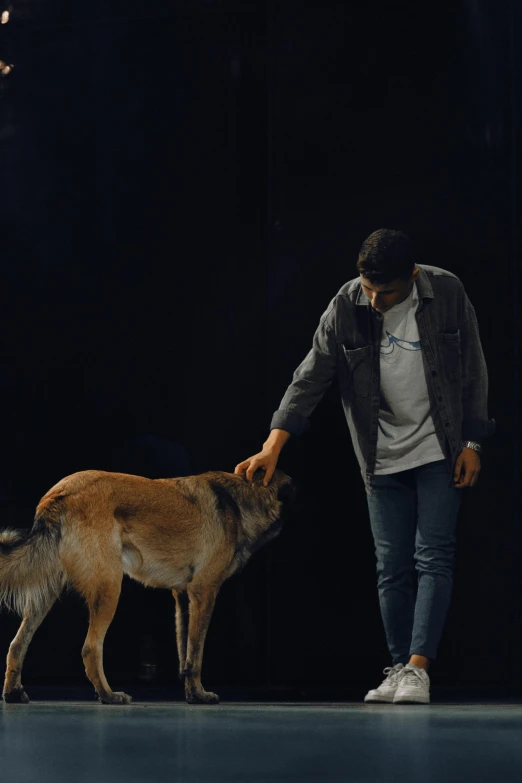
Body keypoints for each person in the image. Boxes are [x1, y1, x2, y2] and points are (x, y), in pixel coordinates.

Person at [235, 228, 495, 705]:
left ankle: (418, 669)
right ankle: (398, 667)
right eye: (369, 290)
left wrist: (473, 441)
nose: (374, 301)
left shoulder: (448, 291)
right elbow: (310, 375)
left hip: (442, 445)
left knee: (433, 554)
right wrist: (274, 445)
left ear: (412, 278)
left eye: (387, 293)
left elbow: (474, 369)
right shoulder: (347, 303)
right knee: (390, 566)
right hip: (381, 455)